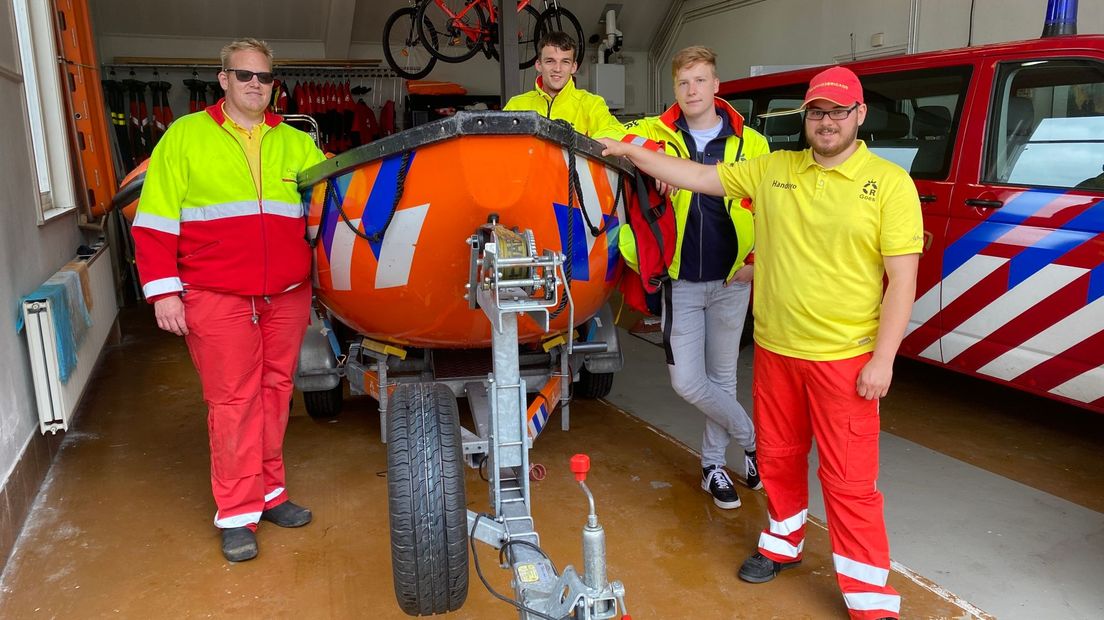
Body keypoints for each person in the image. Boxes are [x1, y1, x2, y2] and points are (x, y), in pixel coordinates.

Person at [600, 65, 921, 620]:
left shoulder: (889, 185)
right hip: (776, 350)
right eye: (817, 112)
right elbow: (697, 177)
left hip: (845, 359)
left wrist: (883, 360)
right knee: (778, 457)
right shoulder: (773, 169)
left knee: (849, 480)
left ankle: (870, 597)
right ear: (806, 116)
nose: (826, 122)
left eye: (838, 112)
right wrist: (628, 152)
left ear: (859, 116)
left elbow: (903, 282)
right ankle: (783, 540)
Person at [131, 38, 326, 563]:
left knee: (274, 393)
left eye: (263, 77)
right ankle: (237, 513)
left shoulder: (294, 142)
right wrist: (163, 291)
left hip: (284, 294)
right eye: (244, 75)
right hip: (215, 295)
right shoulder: (185, 137)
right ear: (223, 80)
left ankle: (269, 493)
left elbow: (334, 202)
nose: (255, 84)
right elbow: (153, 222)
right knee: (233, 402)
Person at [619, 46, 768, 510]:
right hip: (680, 279)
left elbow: (774, 208)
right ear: (675, 90)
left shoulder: (752, 144)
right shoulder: (658, 133)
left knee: (723, 379)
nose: (692, 90)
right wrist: (650, 158)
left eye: (700, 80)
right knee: (687, 381)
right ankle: (752, 440)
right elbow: (607, 135)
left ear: (717, 85)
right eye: (684, 83)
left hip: (732, 281)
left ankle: (712, 468)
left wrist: (757, 262)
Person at [504, 31, 624, 139]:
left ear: (573, 67)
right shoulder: (516, 105)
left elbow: (615, 134)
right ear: (538, 65)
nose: (557, 69)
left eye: (565, 62)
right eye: (550, 61)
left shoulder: (592, 104)